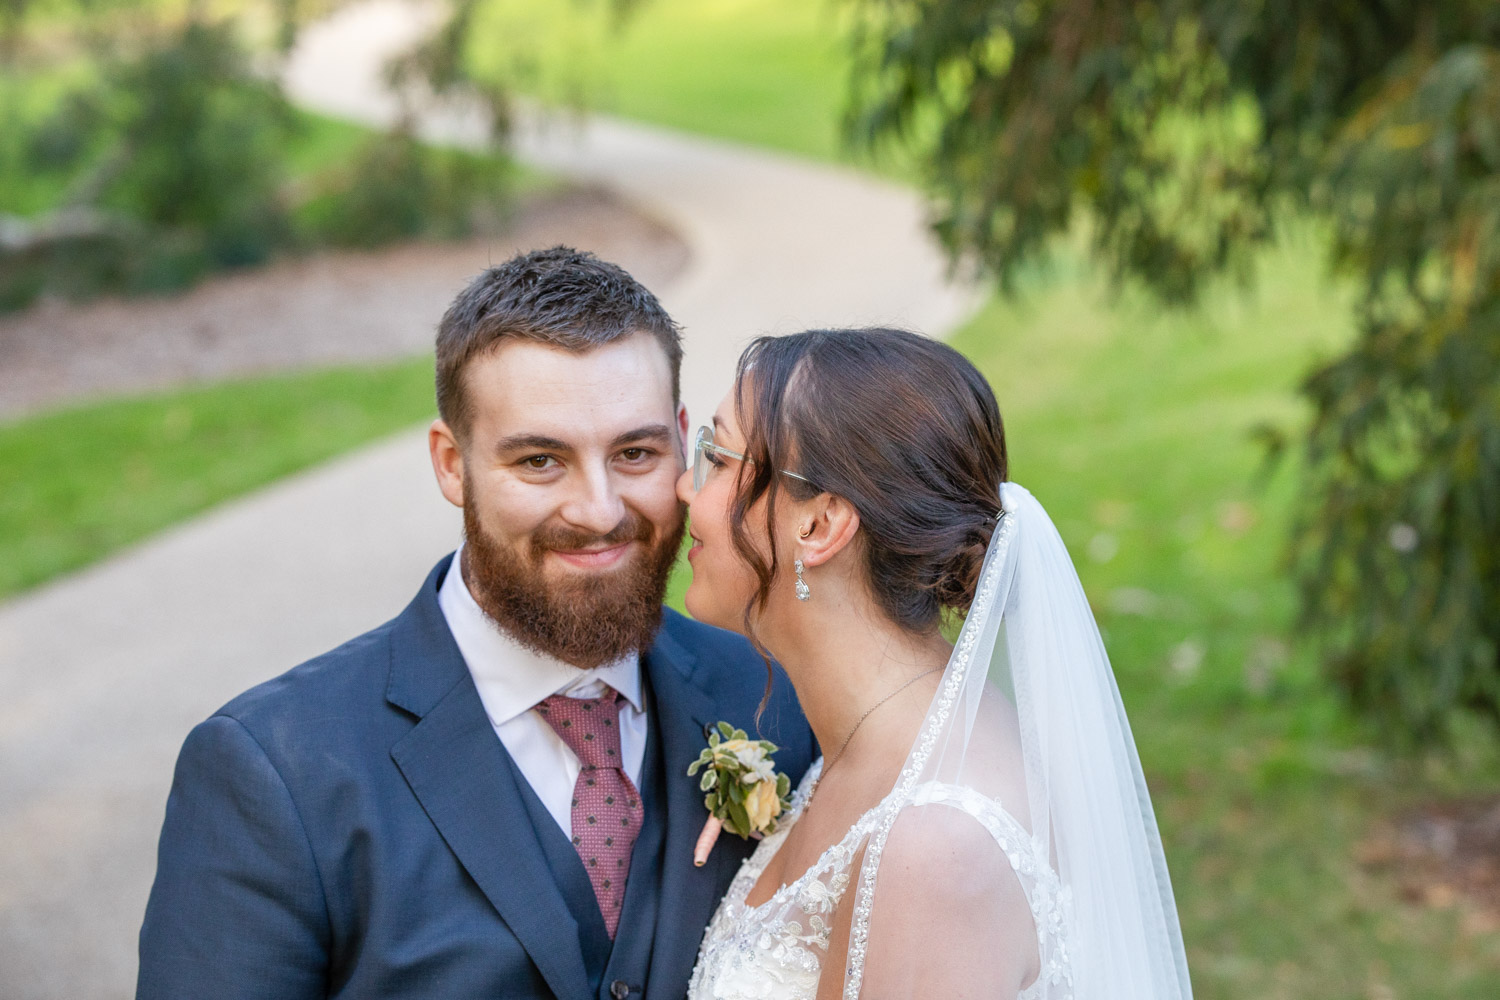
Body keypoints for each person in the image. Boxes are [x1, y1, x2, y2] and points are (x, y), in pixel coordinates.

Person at [136, 247, 816, 1000]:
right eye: (539, 461)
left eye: (634, 452)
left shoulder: (773, 697)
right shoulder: (272, 774)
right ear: (451, 463)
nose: (600, 511)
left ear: (682, 439)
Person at [679, 328, 1193, 1000]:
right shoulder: (868, 740)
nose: (688, 490)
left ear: (820, 524)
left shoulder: (935, 849)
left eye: (718, 458)